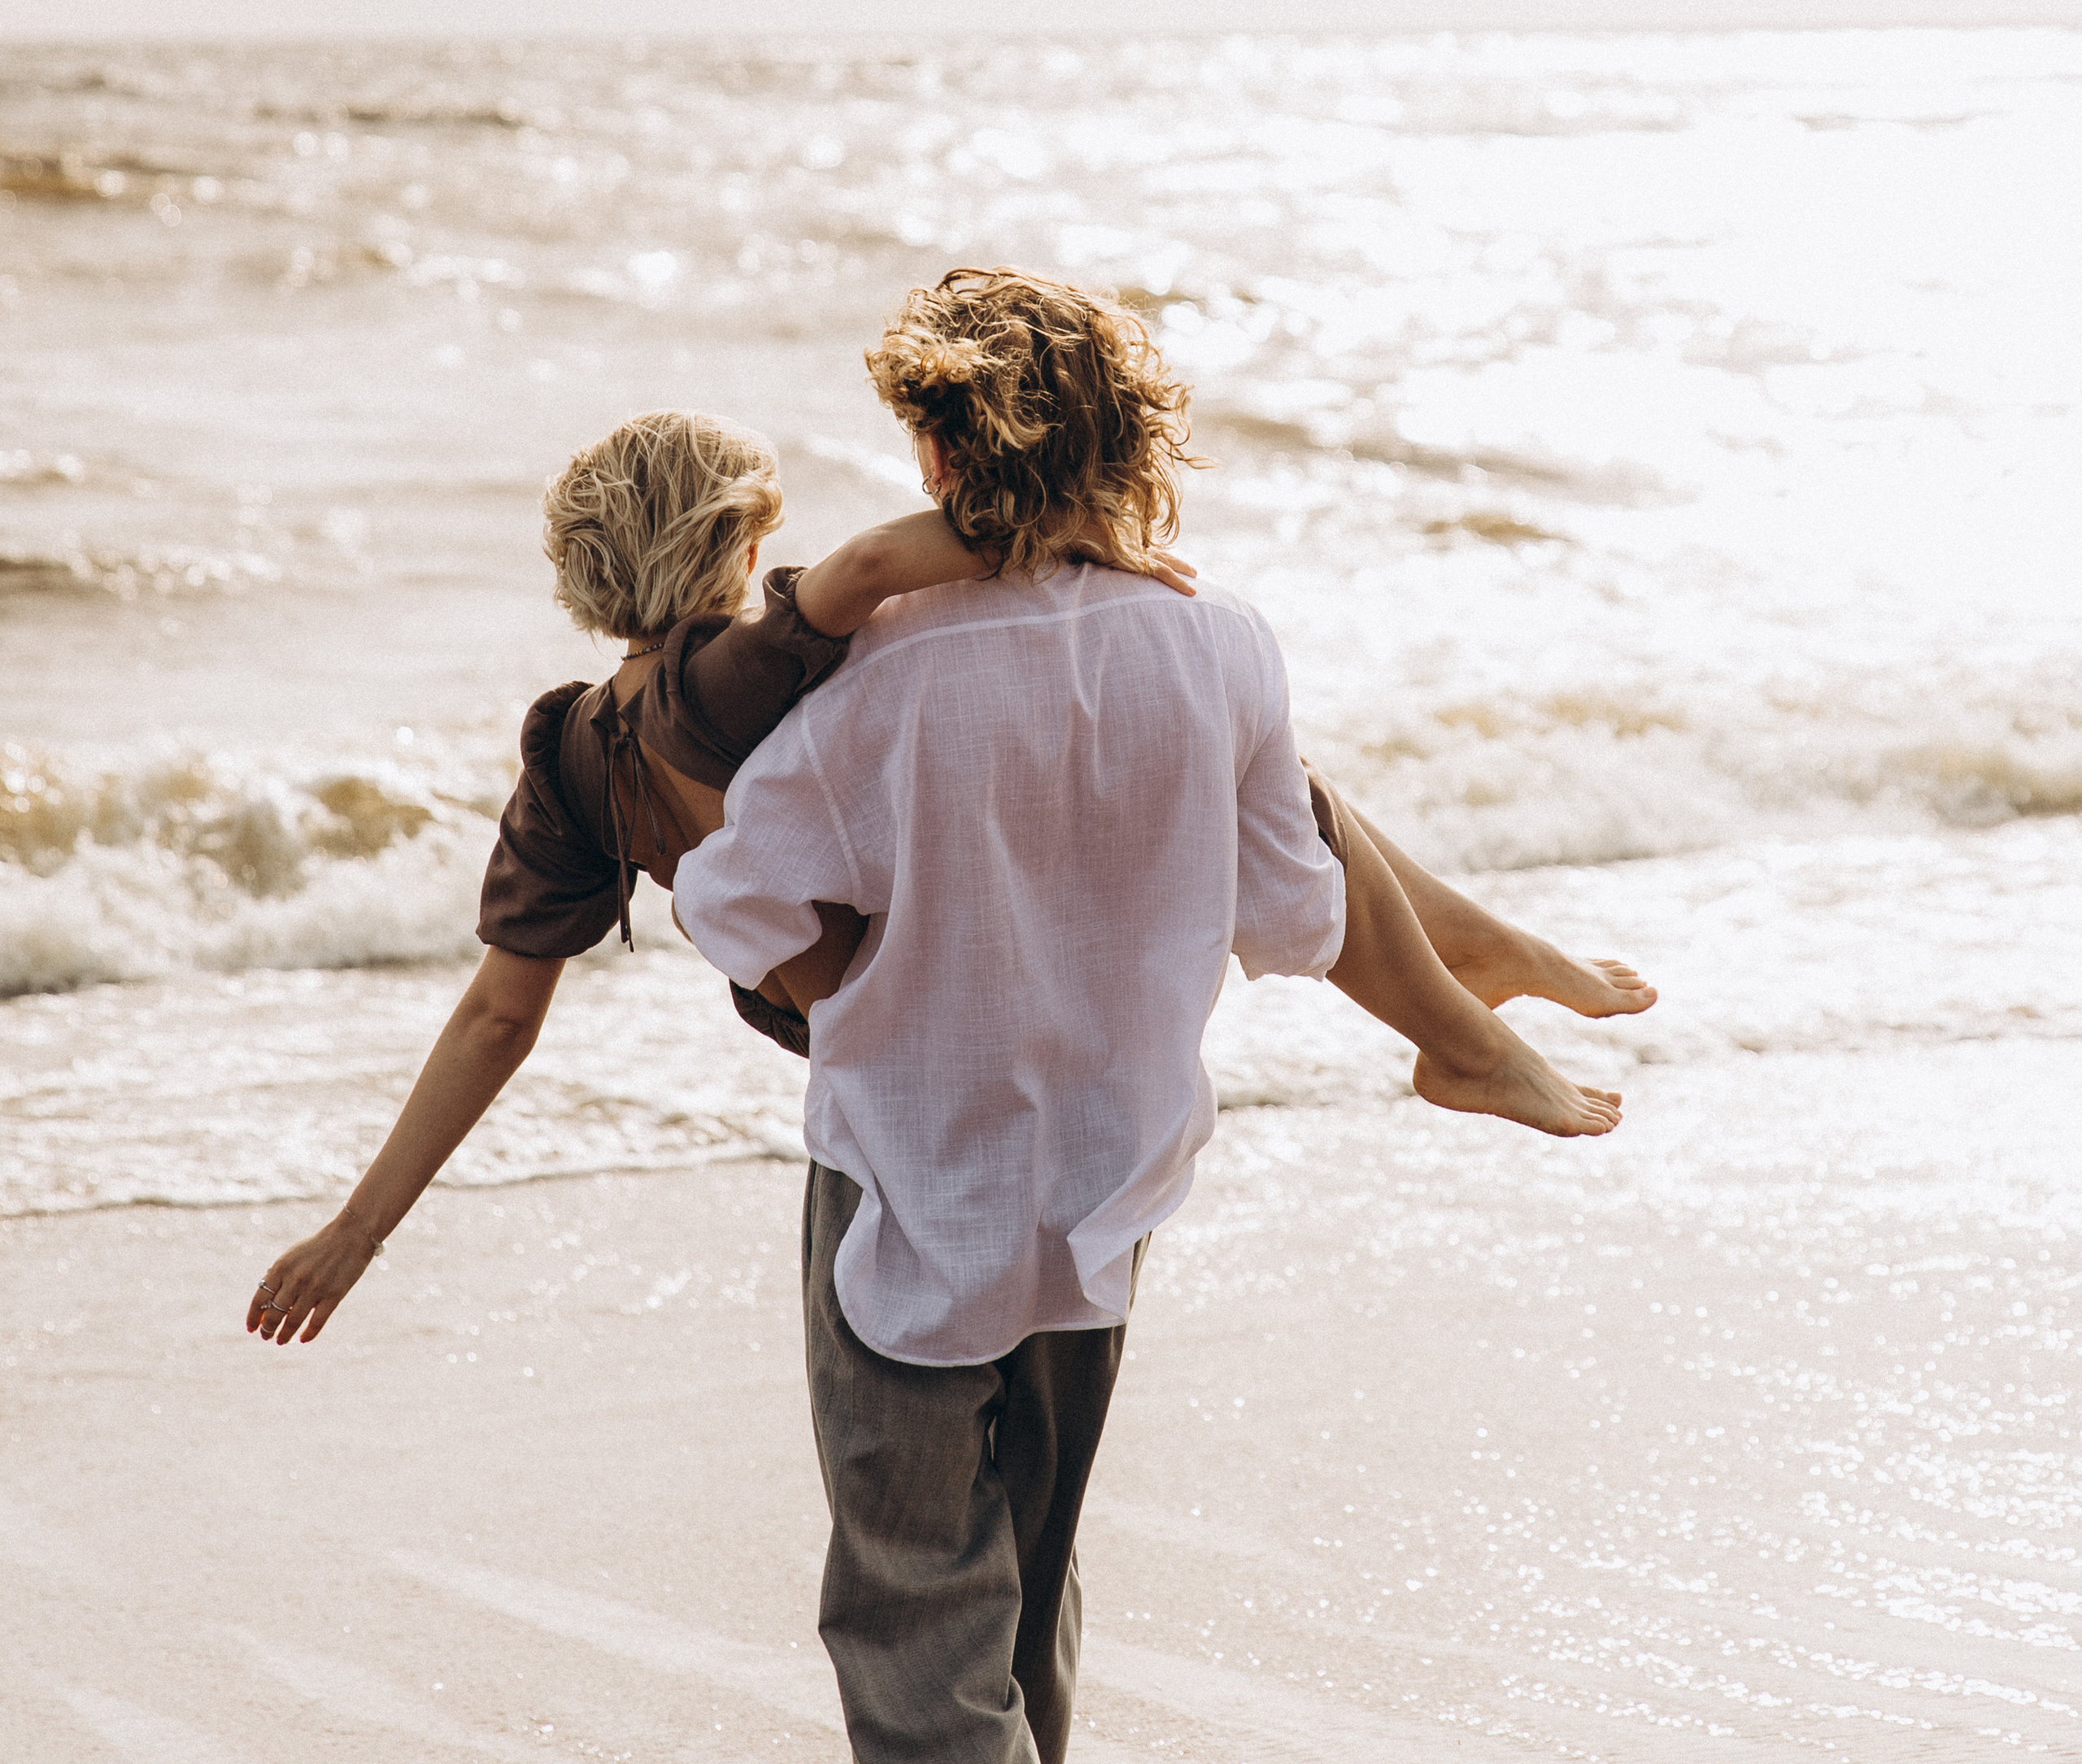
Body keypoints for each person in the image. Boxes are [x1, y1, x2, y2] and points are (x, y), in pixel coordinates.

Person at [668, 268, 1647, 1764]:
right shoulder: (1218, 649)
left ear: (945, 446)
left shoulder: (883, 682)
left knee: (904, 1618)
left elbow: (732, 907)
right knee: (1024, 1587)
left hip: (904, 1183)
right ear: (1125, 436)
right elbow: (1293, 908)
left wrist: (855, 988)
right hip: (1104, 1191)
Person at [248, 375, 1648, 1352]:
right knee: (1247, 767)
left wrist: (355, 1233)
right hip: (993, 1015)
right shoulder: (764, 669)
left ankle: (1472, 966)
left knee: (909, 1479)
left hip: (861, 1057)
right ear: (736, 538)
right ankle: (1456, 984)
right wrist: (1064, 531)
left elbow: (499, 1017)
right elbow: (864, 571)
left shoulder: (568, 755)